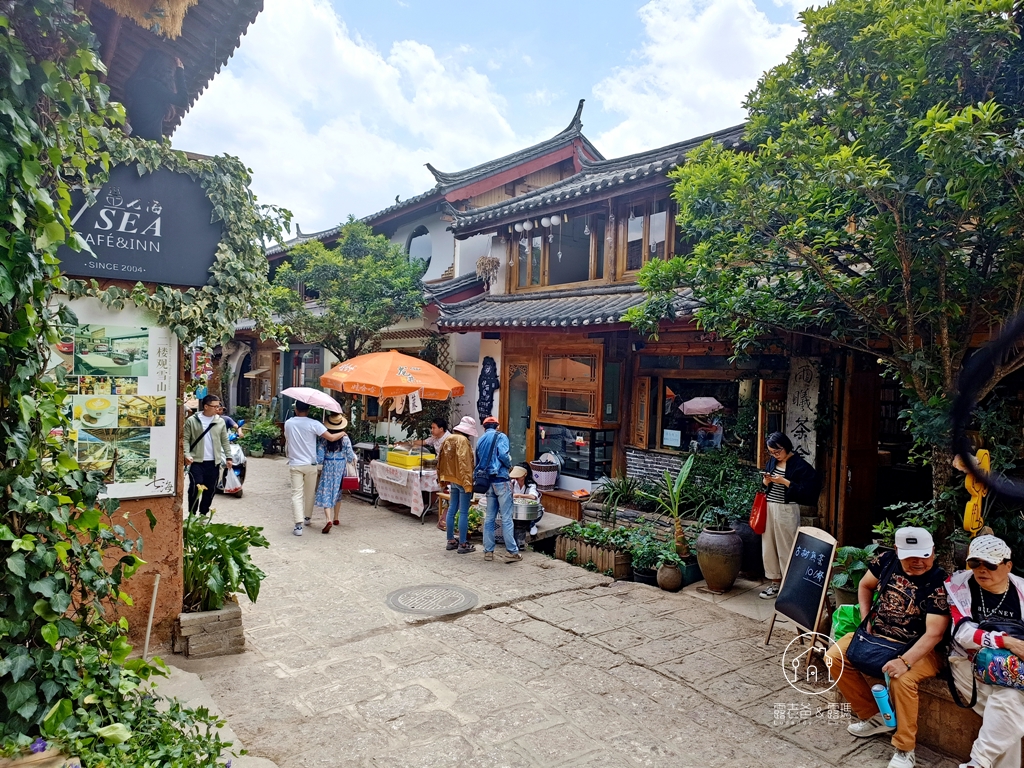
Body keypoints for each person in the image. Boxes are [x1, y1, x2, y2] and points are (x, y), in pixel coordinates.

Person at [824, 527, 950, 768]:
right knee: (834, 657)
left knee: (902, 680)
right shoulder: (886, 561)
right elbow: (864, 585)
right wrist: (866, 618)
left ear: (933, 551)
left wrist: (904, 662)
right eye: (910, 556)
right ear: (896, 551)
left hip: (919, 647)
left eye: (924, 555)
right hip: (878, 637)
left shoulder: (938, 582)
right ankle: (877, 717)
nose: (918, 562)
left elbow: (935, 633)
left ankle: (905, 748)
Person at [945, 534, 1024, 768]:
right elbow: (962, 634)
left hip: (1016, 669)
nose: (981, 570)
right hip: (969, 665)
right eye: (974, 563)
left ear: (1008, 566)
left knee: (1008, 701)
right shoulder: (958, 585)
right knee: (1011, 707)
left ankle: (978, 763)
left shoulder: (1021, 590)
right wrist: (1007, 642)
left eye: (990, 564)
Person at [758, 431, 821, 599]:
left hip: (787, 509)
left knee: (787, 547)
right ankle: (775, 583)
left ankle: (790, 586)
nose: (774, 455)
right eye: (771, 452)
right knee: (768, 547)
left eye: (777, 452)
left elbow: (808, 490)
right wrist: (767, 480)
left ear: (786, 447)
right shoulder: (772, 461)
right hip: (769, 506)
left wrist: (785, 482)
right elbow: (765, 485)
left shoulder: (799, 465)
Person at [284, 402, 346, 536]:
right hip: (310, 464)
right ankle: (307, 517)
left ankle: (298, 526)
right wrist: (342, 433)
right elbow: (331, 437)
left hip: (295, 464)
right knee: (310, 492)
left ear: (295, 409)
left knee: (296, 494)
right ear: (308, 410)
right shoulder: (314, 424)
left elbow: (287, 438)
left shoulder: (288, 423)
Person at [475, 416, 521, 563]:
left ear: (484, 427)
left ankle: (488, 552)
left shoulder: (480, 440)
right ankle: (512, 552)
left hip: (488, 481)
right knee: (506, 518)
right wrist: (509, 464)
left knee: (489, 518)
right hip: (501, 480)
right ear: (498, 426)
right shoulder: (501, 436)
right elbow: (503, 455)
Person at [123, 49, 189, 141]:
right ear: (161, 68)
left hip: (135, 138)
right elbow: (183, 101)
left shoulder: (133, 83)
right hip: (152, 142)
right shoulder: (153, 86)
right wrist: (180, 72)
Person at [183, 394, 232, 515]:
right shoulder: (192, 421)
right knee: (195, 487)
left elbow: (225, 441)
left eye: (219, 406)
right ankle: (192, 514)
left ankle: (203, 514)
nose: (218, 409)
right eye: (215, 406)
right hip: (196, 461)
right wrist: (186, 454)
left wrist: (229, 457)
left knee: (210, 490)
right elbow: (185, 439)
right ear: (205, 406)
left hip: (213, 462)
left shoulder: (220, 421)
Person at [437, 416, 478, 554]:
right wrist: (468, 483)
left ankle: (450, 540)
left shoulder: (449, 438)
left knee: (452, 509)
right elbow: (465, 463)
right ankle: (463, 543)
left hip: (451, 478)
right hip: (462, 479)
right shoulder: (463, 441)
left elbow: (441, 459)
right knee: (464, 512)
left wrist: (442, 477)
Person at [313, 412, 356, 535]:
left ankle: (328, 519)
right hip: (340, 466)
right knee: (337, 490)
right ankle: (336, 517)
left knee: (327, 490)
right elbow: (349, 456)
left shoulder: (324, 438)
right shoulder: (345, 438)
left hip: (328, 465)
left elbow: (320, 458)